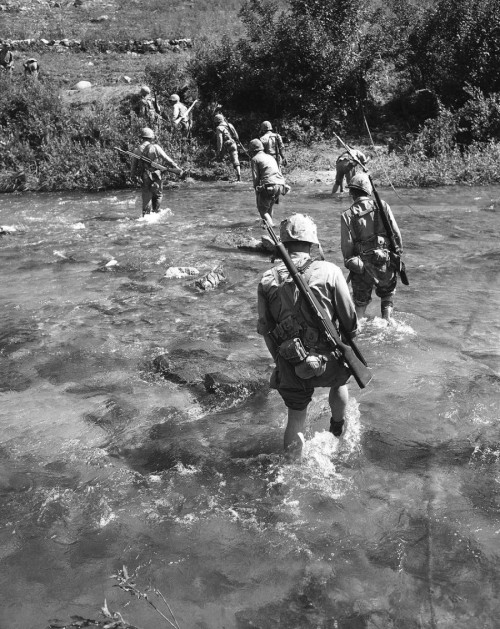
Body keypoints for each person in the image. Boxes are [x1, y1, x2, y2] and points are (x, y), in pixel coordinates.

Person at [257, 213, 358, 456]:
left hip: (291, 360)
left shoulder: (267, 279)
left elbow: (266, 330)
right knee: (340, 382)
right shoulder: (330, 271)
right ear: (312, 242)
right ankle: (337, 429)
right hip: (329, 358)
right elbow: (350, 322)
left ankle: (291, 469)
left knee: (296, 417)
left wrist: (280, 363)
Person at [340, 172, 403, 322]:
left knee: (360, 306)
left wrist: (350, 262)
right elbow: (396, 234)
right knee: (387, 295)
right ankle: (387, 321)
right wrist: (397, 254)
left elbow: (347, 247)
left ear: (351, 192)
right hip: (385, 261)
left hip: (362, 267)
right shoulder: (383, 206)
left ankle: (358, 329)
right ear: (368, 191)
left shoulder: (347, 215)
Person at [130, 127, 184, 216]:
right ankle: (156, 212)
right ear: (151, 137)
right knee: (158, 194)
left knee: (146, 196)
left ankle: (146, 215)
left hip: (144, 176)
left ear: (142, 137)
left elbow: (133, 166)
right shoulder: (155, 147)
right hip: (156, 175)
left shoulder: (136, 150)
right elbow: (167, 159)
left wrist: (133, 176)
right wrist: (176, 167)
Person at [249, 139, 290, 223]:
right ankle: (268, 229)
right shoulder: (270, 157)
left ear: (252, 150)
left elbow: (255, 178)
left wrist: (257, 191)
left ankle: (271, 227)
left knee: (262, 211)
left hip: (269, 186)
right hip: (281, 185)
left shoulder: (255, 159)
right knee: (269, 207)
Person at [214, 113, 241, 182]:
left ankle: (220, 174)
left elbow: (220, 141)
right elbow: (236, 136)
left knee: (221, 158)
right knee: (236, 160)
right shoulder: (230, 125)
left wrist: (219, 150)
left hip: (226, 145)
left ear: (217, 121)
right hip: (233, 143)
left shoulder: (219, 128)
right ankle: (239, 177)